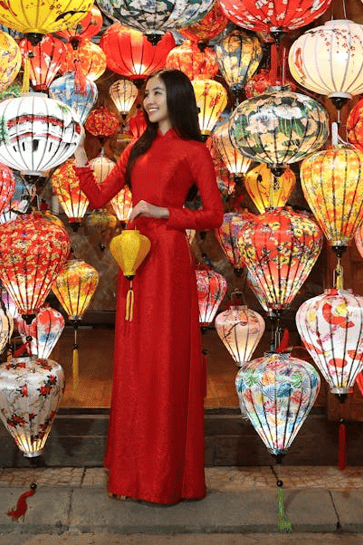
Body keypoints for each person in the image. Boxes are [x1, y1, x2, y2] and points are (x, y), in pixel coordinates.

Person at [73, 69, 224, 504]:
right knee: (134, 360)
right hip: (133, 259)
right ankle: (131, 474)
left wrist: (165, 212)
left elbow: (213, 214)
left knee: (165, 359)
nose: (148, 100)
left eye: (156, 92)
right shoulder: (137, 148)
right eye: (146, 94)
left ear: (176, 97)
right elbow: (101, 198)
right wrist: (82, 163)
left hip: (169, 260)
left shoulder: (195, 151)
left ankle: (164, 478)